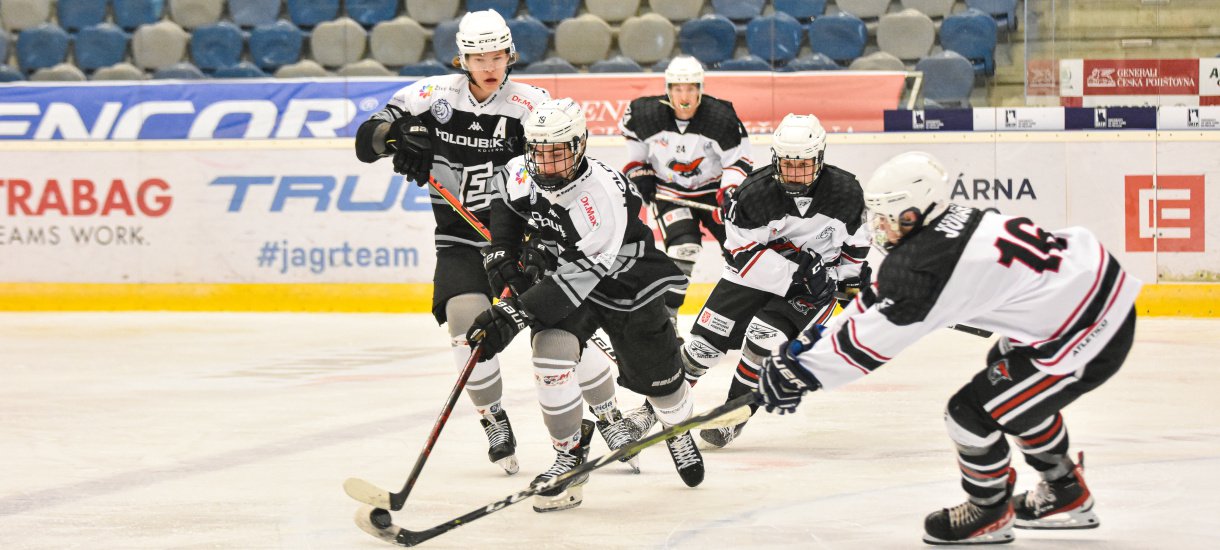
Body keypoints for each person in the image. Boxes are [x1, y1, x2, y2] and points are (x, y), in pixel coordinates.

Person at [754, 152, 1141, 545]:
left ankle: (989, 511)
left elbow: (868, 341)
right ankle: (1064, 490)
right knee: (1007, 385)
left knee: (970, 414)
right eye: (878, 217)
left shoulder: (927, 265)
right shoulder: (946, 224)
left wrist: (802, 372)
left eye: (889, 218)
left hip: (1090, 329)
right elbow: (875, 305)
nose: (880, 228)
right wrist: (806, 350)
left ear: (914, 213)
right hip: (1087, 291)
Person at [352, 10, 628, 478]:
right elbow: (367, 140)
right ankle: (493, 418)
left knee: (560, 333)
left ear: (510, 55)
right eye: (479, 58)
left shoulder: (531, 105)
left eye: (497, 56)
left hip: (525, 238)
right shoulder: (431, 96)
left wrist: (541, 243)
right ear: (462, 59)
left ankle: (608, 412)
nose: (489, 66)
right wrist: (397, 137)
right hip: (460, 237)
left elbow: (565, 171)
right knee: (465, 324)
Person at [467, 98, 706, 513]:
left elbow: (583, 274)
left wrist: (516, 312)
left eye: (558, 152)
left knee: (661, 381)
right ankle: (569, 459)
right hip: (566, 276)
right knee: (550, 354)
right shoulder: (521, 170)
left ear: (579, 146)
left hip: (625, 282)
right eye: (539, 152)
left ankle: (676, 426)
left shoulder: (602, 194)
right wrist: (502, 255)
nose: (546, 163)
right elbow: (506, 201)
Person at [665, 113, 870, 449]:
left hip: (812, 288)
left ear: (820, 159)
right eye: (787, 164)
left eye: (803, 165)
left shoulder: (846, 193)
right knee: (702, 347)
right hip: (755, 275)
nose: (794, 173)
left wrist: (848, 284)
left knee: (764, 339)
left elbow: (856, 249)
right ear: (775, 159)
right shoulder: (754, 194)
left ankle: (734, 414)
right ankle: (654, 409)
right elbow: (741, 254)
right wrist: (799, 274)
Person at [617, 55, 753, 327]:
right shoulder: (645, 115)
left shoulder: (720, 118)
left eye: (691, 88)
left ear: (700, 89)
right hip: (672, 194)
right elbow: (636, 157)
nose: (684, 96)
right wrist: (640, 174)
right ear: (668, 89)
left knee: (741, 252)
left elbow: (738, 161)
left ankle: (747, 315)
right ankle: (667, 322)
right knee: (684, 250)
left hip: (713, 193)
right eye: (678, 88)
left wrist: (730, 192)